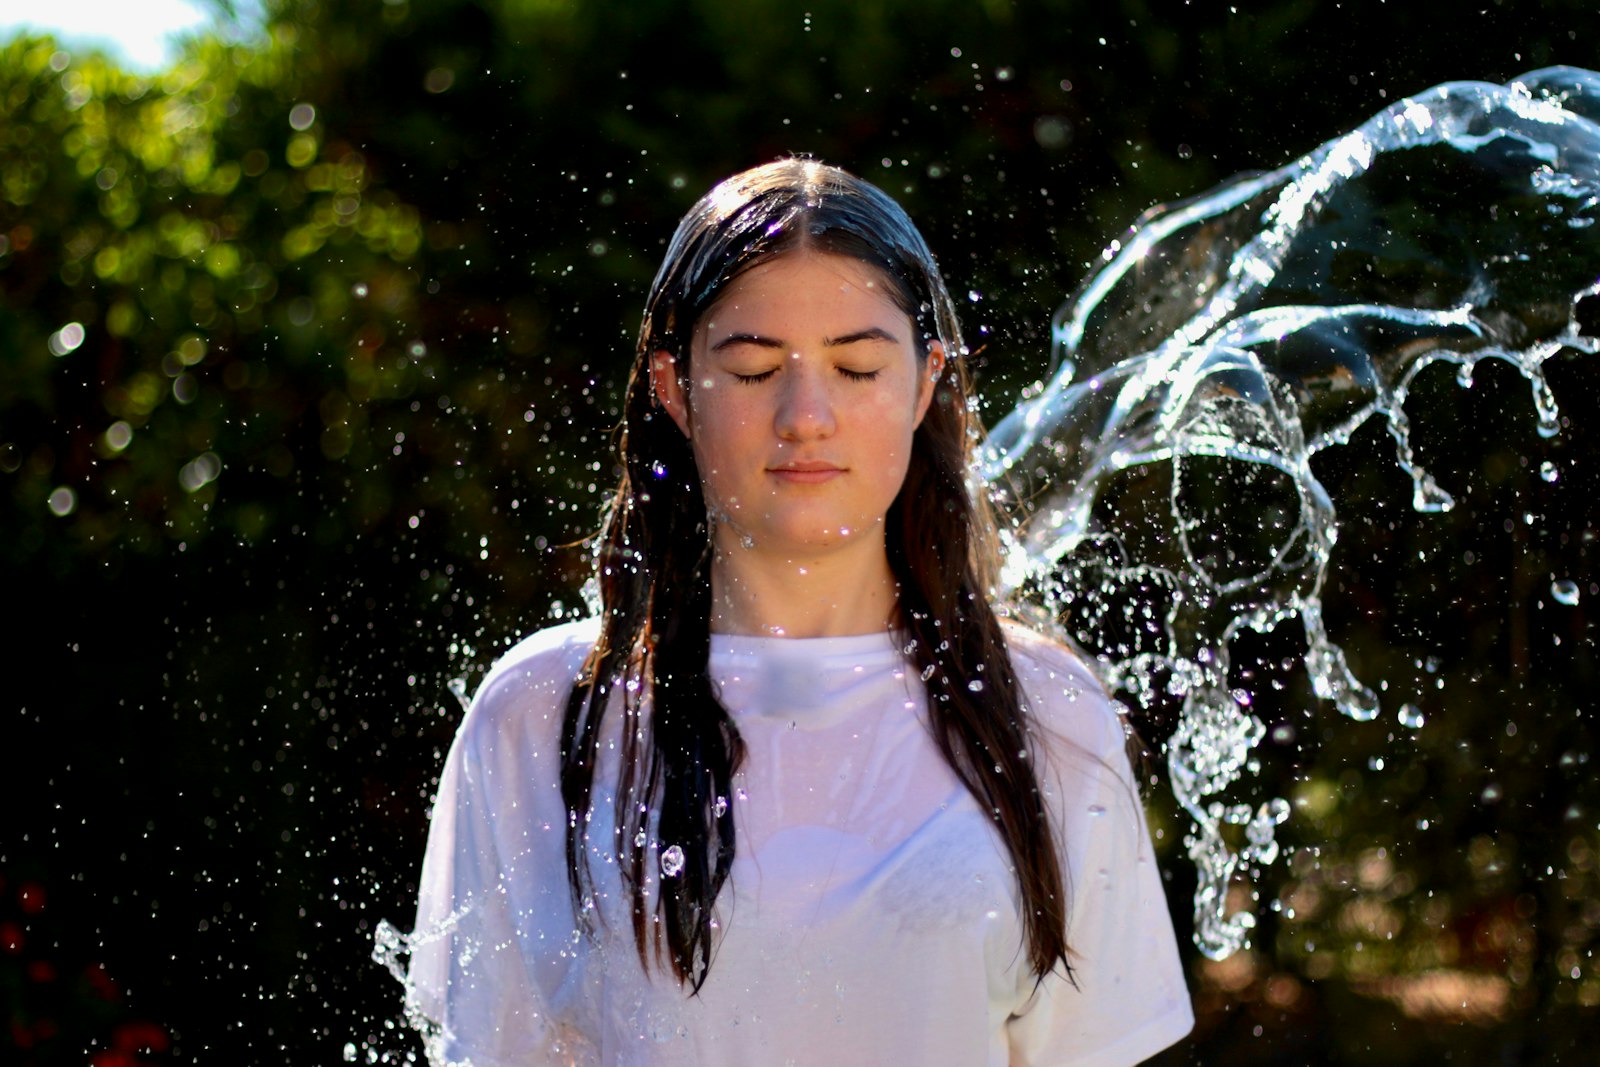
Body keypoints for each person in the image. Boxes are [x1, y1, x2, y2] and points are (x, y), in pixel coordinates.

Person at [404, 159, 1193, 1066]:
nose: (807, 415)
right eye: (751, 370)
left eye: (857, 367)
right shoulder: (545, 714)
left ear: (925, 382)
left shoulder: (1048, 714)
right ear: (674, 387)